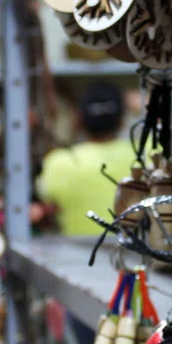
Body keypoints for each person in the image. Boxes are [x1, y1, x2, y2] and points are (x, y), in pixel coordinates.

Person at [36, 83, 140, 236]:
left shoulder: (58, 162)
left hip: (75, 257)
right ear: (122, 120)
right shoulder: (144, 153)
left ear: (79, 120)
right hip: (131, 256)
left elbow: (45, 208)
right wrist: (149, 105)